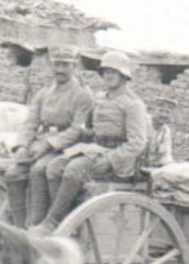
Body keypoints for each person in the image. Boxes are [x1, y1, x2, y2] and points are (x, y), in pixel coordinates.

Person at [34, 50, 151, 231]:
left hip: (118, 160)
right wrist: (84, 133)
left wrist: (110, 159)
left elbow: (137, 143)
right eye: (106, 72)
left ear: (124, 76)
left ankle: (54, 222)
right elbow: (92, 129)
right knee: (54, 167)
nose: (109, 76)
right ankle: (63, 217)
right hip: (96, 149)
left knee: (75, 168)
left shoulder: (133, 104)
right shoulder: (100, 98)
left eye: (114, 73)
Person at [4, 46, 95, 227]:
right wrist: (22, 146)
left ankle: (40, 223)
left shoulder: (83, 94)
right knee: (13, 174)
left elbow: (77, 129)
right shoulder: (44, 93)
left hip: (67, 147)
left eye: (65, 65)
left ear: (74, 67)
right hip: (40, 143)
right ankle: (18, 225)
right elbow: (30, 123)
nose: (60, 70)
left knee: (39, 169)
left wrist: (47, 145)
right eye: (56, 65)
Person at [146, 95, 177, 168]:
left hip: (149, 168)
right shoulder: (142, 122)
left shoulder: (166, 131)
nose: (164, 115)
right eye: (161, 110)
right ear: (153, 110)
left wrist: (169, 164)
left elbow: (166, 154)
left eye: (168, 112)